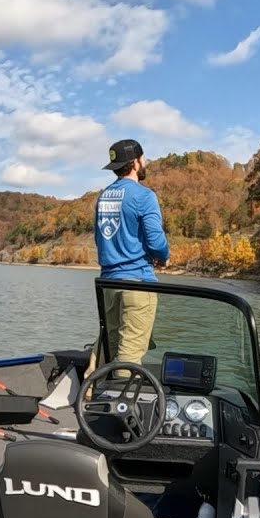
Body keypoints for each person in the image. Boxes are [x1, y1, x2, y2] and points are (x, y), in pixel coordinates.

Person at [93, 139, 170, 376]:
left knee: (109, 345)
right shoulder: (144, 196)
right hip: (137, 282)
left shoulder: (104, 197)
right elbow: (156, 241)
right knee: (129, 354)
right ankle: (119, 396)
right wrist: (163, 257)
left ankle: (92, 386)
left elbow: (100, 238)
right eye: (143, 158)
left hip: (108, 284)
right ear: (136, 162)